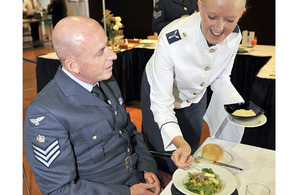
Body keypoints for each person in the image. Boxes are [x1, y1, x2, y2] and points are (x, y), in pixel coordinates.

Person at [24, 16, 161, 195]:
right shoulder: (46, 113)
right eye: (100, 52)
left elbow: (128, 129)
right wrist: (127, 193)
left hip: (137, 179)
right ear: (73, 65)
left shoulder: (106, 80)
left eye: (107, 45)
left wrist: (146, 166)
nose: (113, 55)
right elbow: (59, 190)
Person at [141, 0, 246, 174]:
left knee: (192, 154)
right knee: (166, 159)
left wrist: (240, 110)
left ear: (241, 13)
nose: (220, 28)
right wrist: (178, 141)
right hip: (160, 92)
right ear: (200, 6)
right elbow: (161, 104)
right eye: (212, 17)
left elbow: (221, 79)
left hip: (196, 95)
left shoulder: (235, 35)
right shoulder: (171, 38)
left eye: (230, 20)